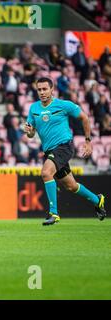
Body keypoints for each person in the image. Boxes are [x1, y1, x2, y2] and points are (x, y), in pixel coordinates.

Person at [24, 77, 106, 226]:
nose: (42, 92)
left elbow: (85, 118)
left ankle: (53, 213)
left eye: (44, 89)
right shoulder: (33, 108)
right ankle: (97, 200)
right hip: (49, 150)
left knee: (46, 173)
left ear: (52, 89)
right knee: (71, 186)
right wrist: (29, 132)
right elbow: (31, 133)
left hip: (64, 146)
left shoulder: (63, 105)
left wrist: (88, 141)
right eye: (39, 89)